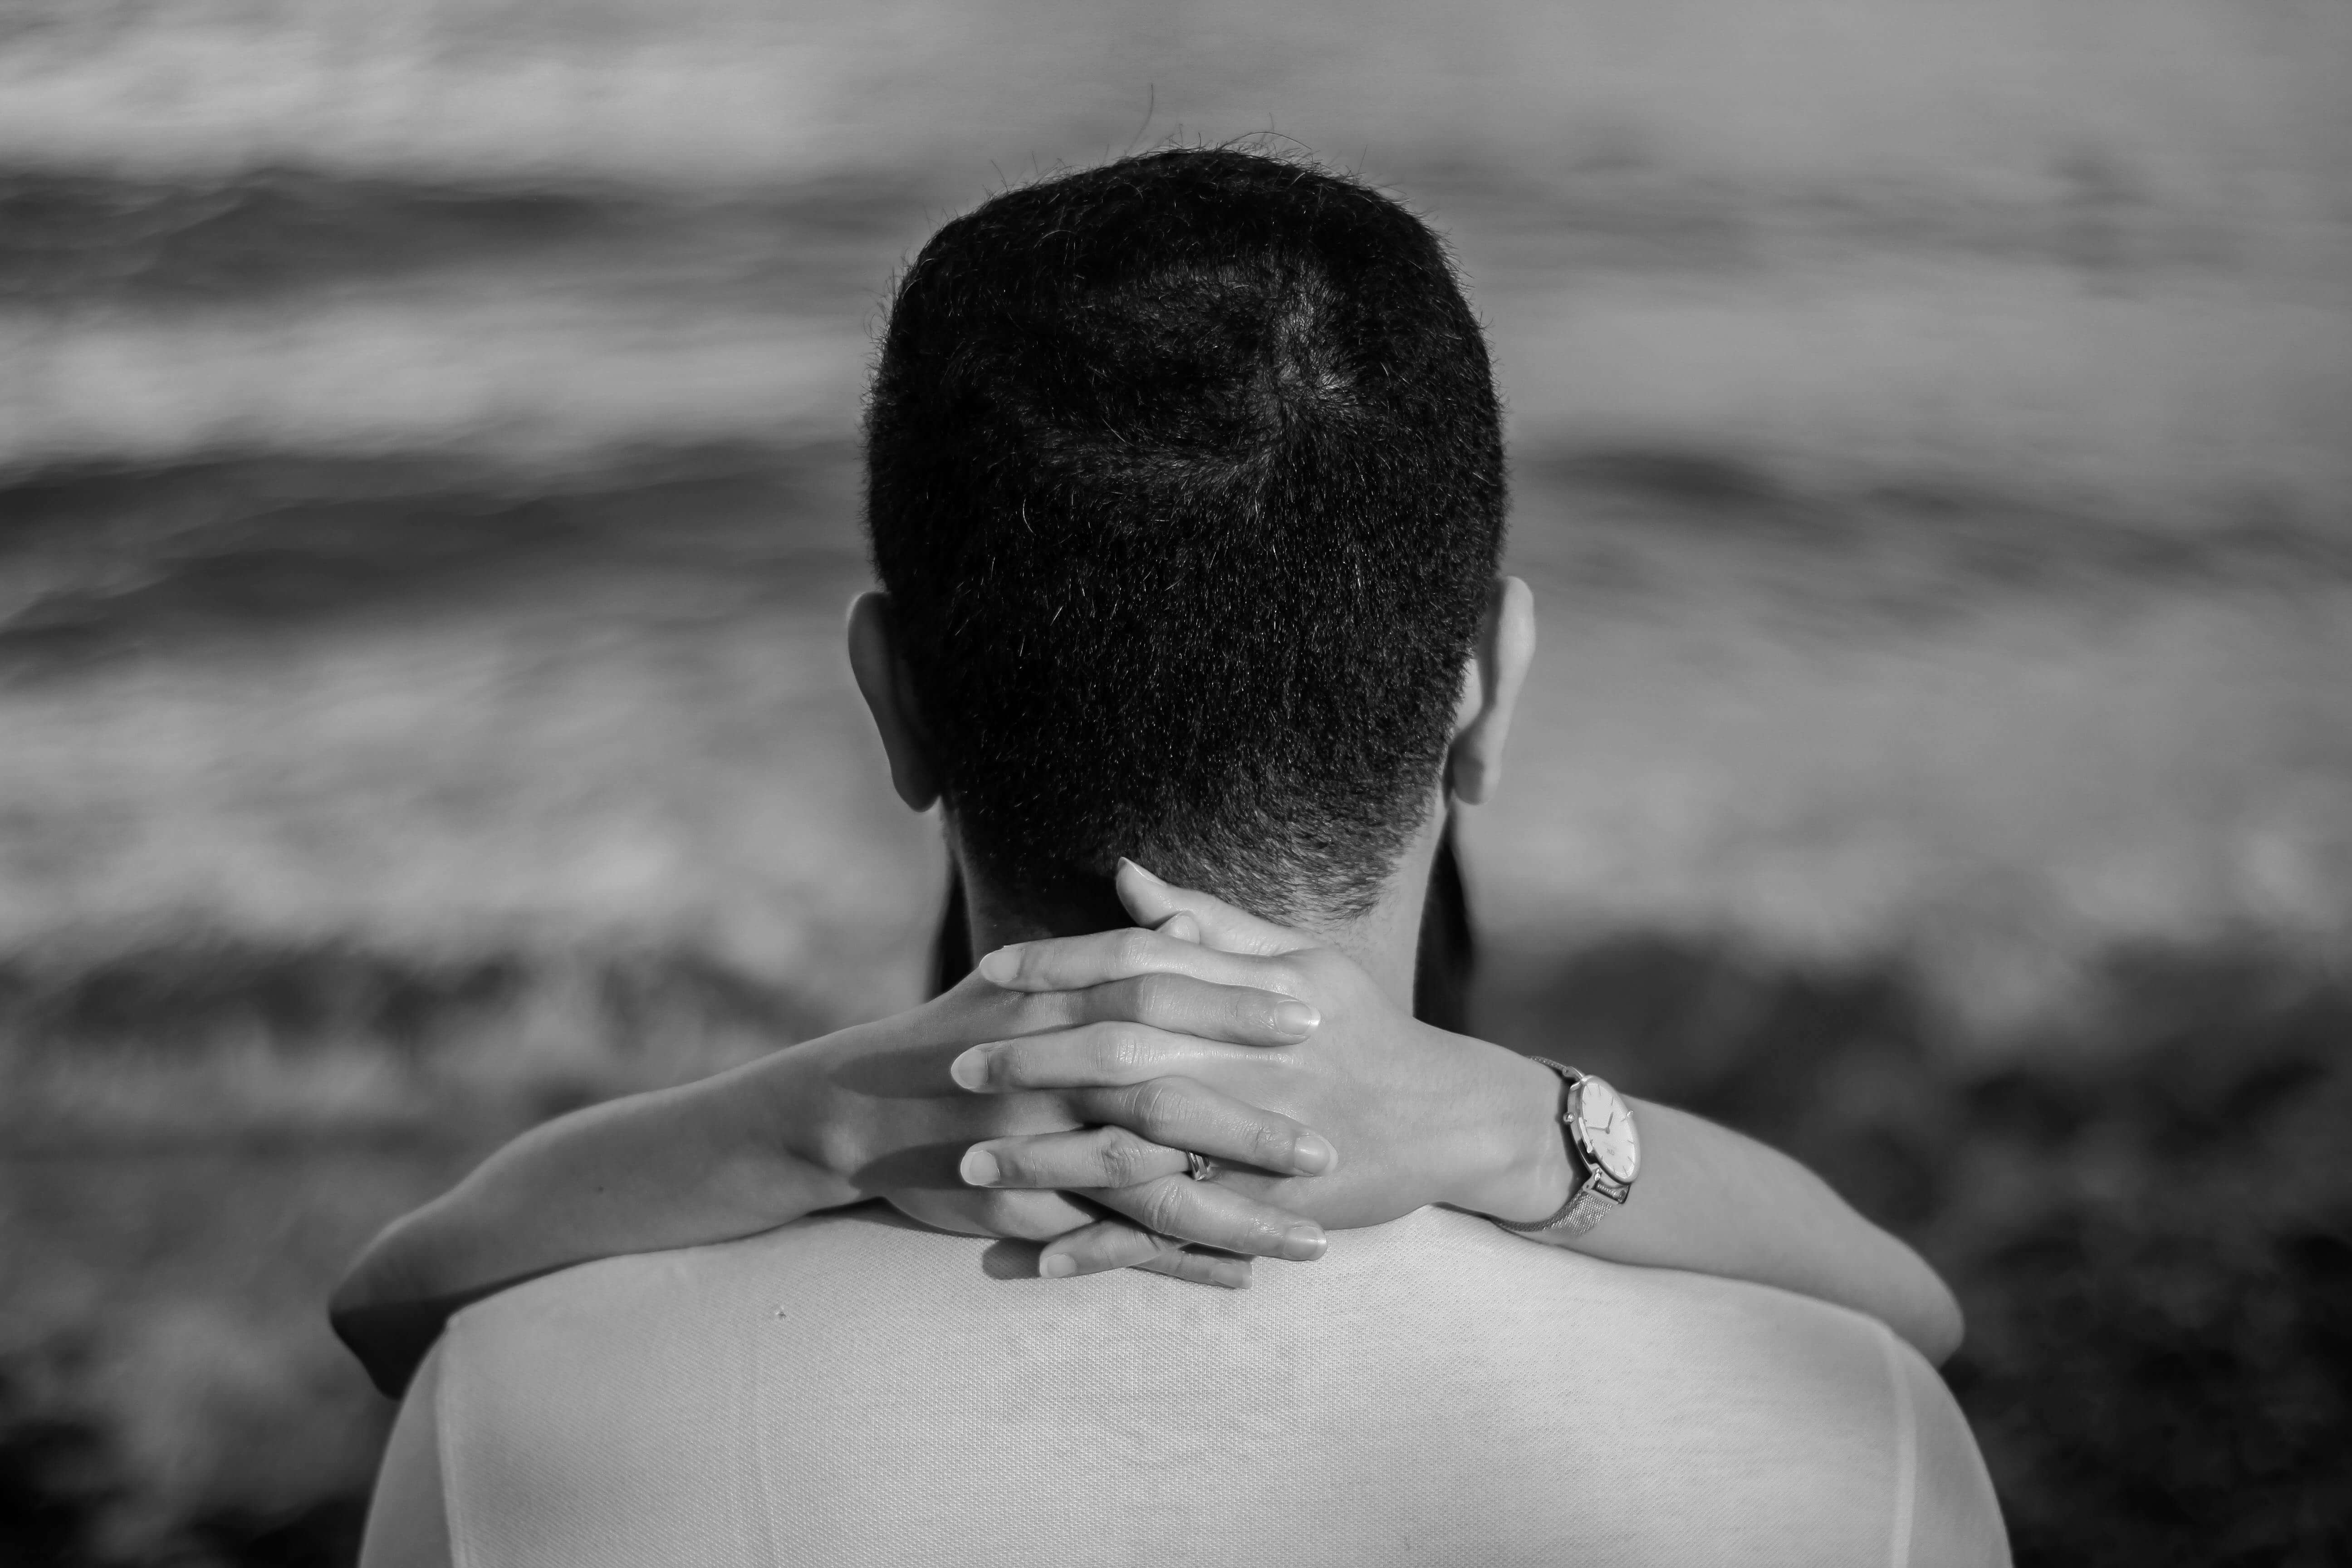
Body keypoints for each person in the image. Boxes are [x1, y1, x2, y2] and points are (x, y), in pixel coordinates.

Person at [348, 147, 2009, 1567]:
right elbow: (1913, 1314)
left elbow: (390, 1305)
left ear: (895, 702)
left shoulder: (519, 1413)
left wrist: (815, 1118)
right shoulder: (1852, 1446)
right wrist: (1518, 1124)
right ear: (1487, 690)